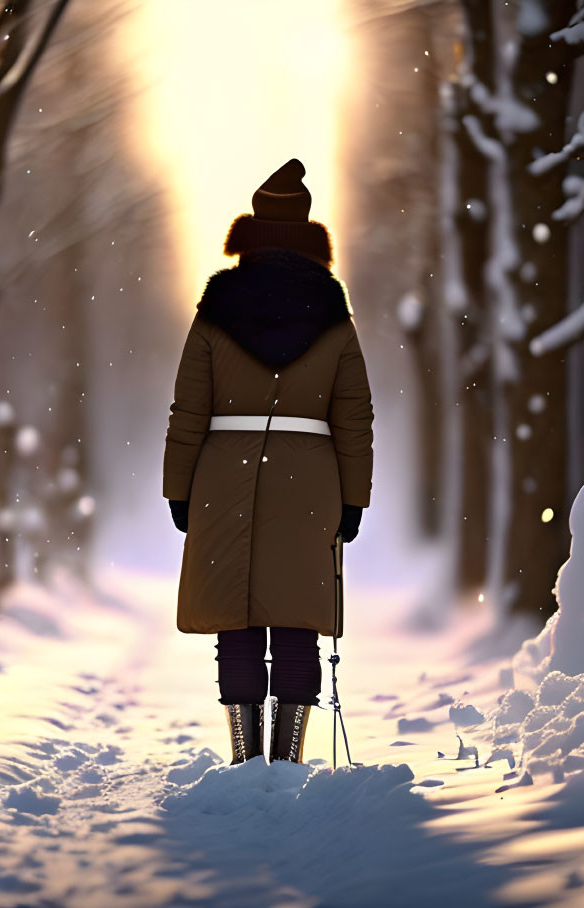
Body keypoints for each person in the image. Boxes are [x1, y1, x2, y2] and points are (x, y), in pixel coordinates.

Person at [162, 158, 374, 766]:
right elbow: (354, 413)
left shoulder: (216, 307)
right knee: (298, 611)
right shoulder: (334, 312)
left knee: (237, 611)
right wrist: (354, 496)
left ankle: (243, 751)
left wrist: (178, 487)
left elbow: (189, 409)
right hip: (310, 477)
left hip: (222, 472)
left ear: (252, 228)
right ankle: (288, 756)